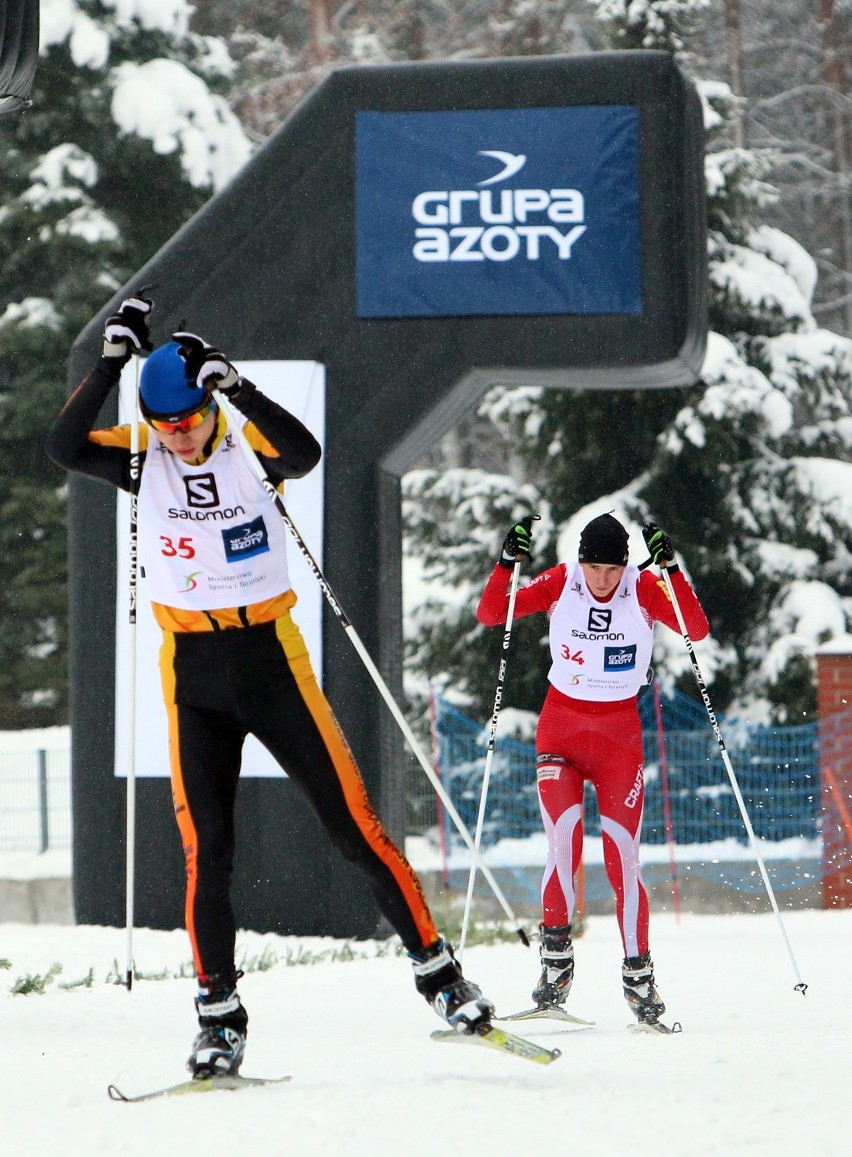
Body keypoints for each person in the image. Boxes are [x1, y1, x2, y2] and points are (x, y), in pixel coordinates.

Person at [47, 294, 494, 1076]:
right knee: (206, 850)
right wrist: (112, 359)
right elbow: (62, 445)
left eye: (187, 421)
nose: (178, 439)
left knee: (354, 828)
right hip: (193, 672)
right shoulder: (139, 454)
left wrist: (237, 387)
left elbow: (305, 454)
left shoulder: (243, 444)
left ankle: (442, 977)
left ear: (206, 406)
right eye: (165, 426)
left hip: (272, 660)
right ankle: (219, 1017)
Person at [476, 511, 710, 1024]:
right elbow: (493, 613)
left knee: (622, 857)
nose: (601, 580)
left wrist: (670, 569)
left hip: (618, 739)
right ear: (580, 561)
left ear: (624, 566)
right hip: (560, 730)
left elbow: (696, 628)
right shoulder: (563, 581)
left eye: (610, 569)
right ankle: (555, 969)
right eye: (593, 567)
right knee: (562, 842)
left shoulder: (641, 587)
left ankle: (638, 979)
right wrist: (506, 562)